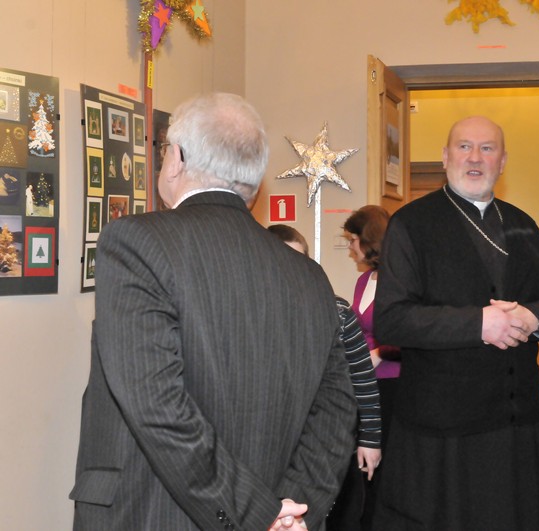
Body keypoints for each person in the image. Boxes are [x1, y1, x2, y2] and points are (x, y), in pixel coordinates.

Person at [70, 93, 357, 531]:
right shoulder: (309, 276)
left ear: (176, 159)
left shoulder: (135, 242)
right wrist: (294, 510)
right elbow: (336, 412)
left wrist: (258, 514)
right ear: (253, 181)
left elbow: (157, 405)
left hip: (153, 514)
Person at [372, 115, 539, 529]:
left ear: (503, 161)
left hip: (516, 421)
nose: (475, 157)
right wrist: (478, 324)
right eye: (464, 147)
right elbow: (391, 319)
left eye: (487, 148)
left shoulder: (522, 224)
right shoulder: (411, 223)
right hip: (443, 430)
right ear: (445, 157)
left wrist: (532, 316)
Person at [266, 223, 383, 531]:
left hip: (329, 440)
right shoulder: (256, 315)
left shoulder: (338, 311)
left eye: (299, 261)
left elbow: (362, 378)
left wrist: (370, 438)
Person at [343, 205, 400, 530]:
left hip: (392, 386)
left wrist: (380, 353)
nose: (350, 248)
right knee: (362, 465)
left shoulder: (400, 280)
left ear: (369, 240)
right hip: (363, 384)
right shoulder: (364, 280)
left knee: (385, 466)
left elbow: (415, 333)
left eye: (352, 240)